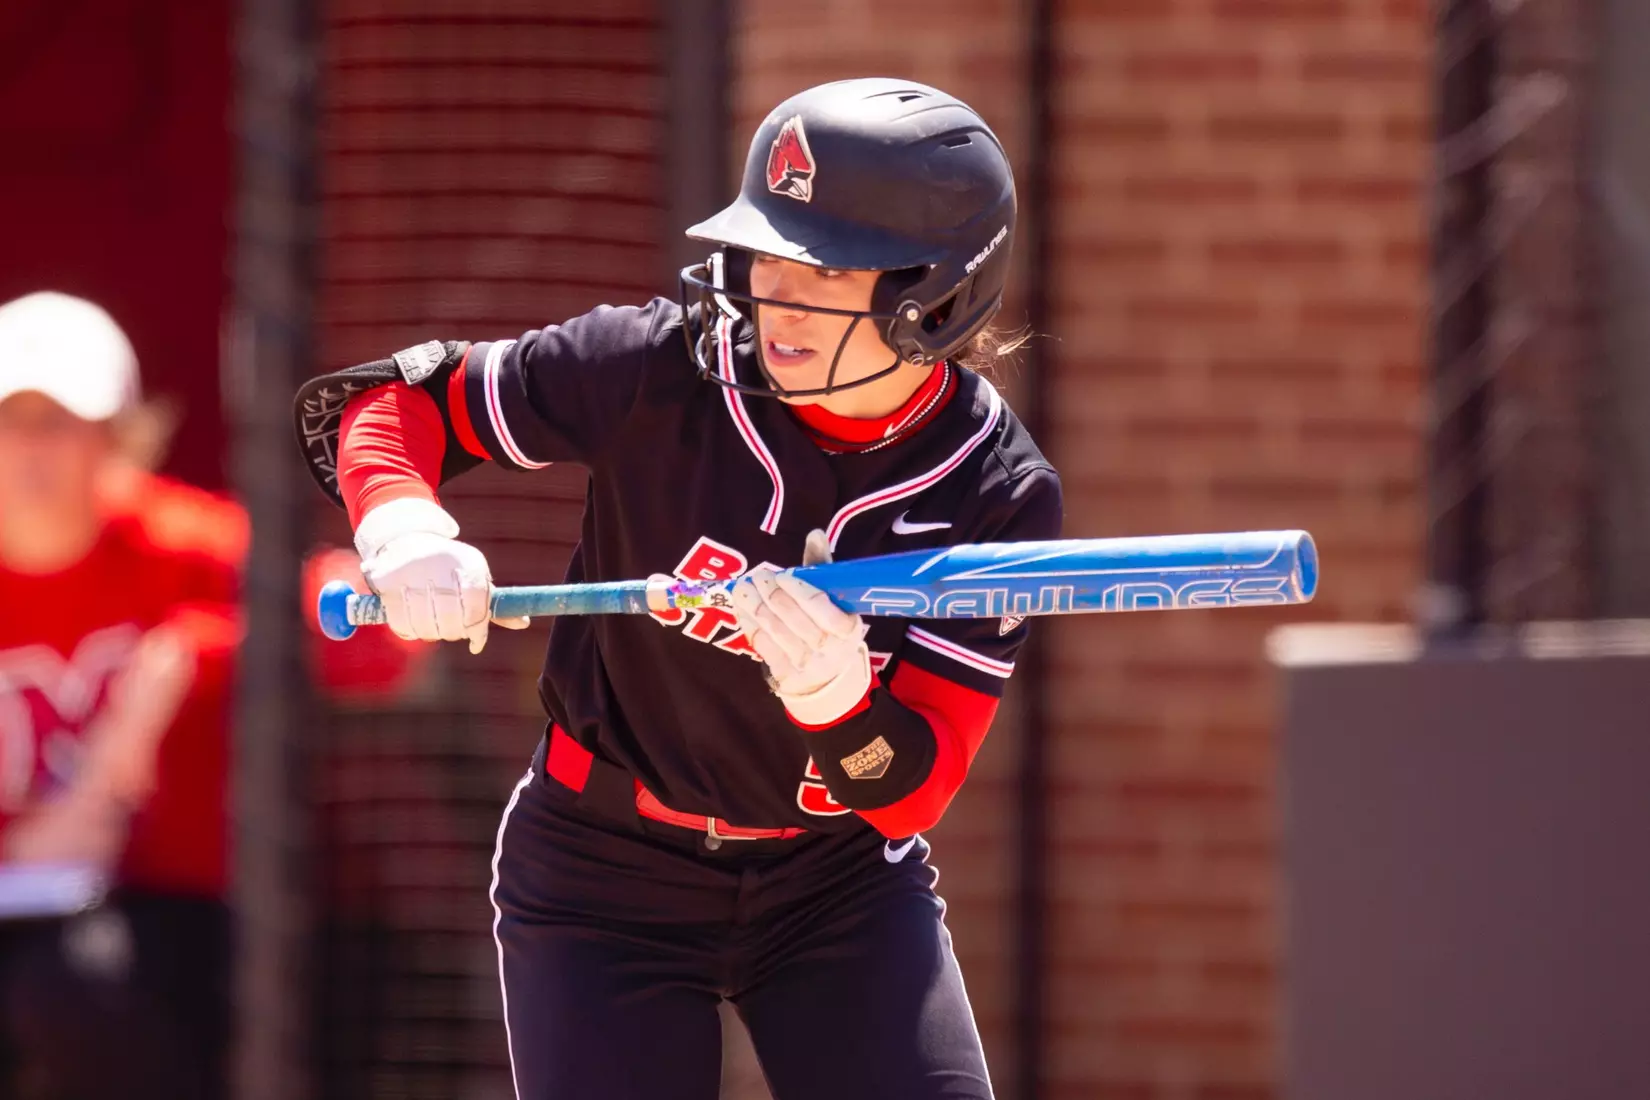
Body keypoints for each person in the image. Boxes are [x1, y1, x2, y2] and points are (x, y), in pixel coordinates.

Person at [293, 77, 1062, 1099]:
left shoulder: (991, 487)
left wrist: (839, 705)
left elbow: (906, 784)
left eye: (823, 269)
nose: (775, 296)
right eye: (767, 256)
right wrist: (398, 521)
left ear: (934, 294)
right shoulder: (662, 365)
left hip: (831, 884)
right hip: (599, 866)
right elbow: (394, 404)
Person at [0, 291, 241, 1100]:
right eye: (11, 420)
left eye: (58, 422)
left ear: (117, 438)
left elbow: (371, 636)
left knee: (76, 989)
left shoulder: (180, 546)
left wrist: (190, 654)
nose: (30, 450)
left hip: (157, 922)